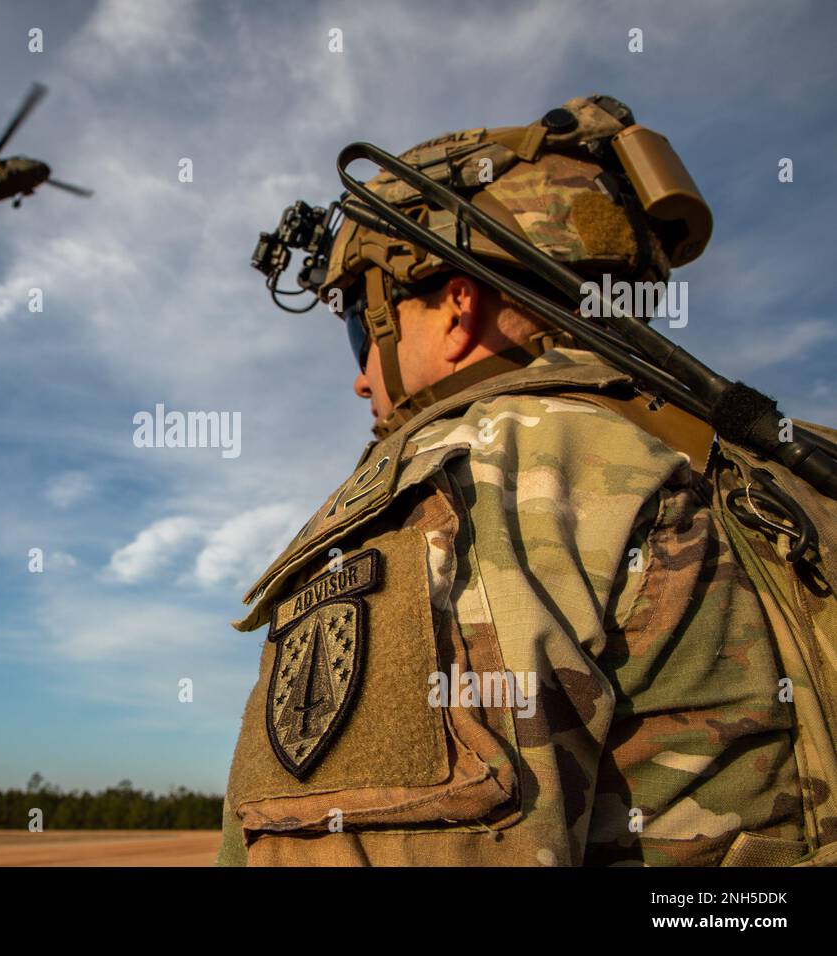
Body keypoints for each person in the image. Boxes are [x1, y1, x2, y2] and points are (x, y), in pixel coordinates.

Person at [217, 95, 817, 866]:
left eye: (360, 327)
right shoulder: (773, 464)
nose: (363, 380)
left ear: (458, 308)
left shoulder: (463, 485)